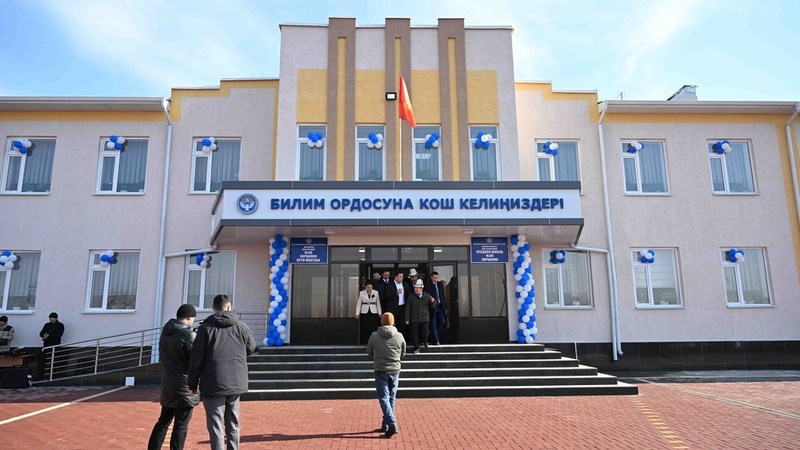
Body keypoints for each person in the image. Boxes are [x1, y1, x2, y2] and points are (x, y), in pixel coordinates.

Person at [188, 294, 255, 450]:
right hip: (236, 381)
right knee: (233, 423)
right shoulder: (241, 327)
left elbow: (196, 359)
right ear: (229, 306)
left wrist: (192, 383)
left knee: (216, 425)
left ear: (213, 308)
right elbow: (251, 348)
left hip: (213, 381)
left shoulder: (205, 329)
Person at [148, 304, 200, 450]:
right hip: (185, 386)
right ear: (188, 318)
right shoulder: (188, 335)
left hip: (168, 383)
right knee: (181, 424)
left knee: (163, 421)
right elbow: (196, 359)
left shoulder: (166, 332)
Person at [366, 312, 406, 439]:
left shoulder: (374, 335)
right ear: (393, 322)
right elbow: (403, 353)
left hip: (380, 369)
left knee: (383, 398)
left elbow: (368, 351)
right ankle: (386, 424)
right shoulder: (399, 336)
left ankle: (391, 423)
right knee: (391, 398)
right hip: (395, 370)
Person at [405, 279, 434, 354]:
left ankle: (425, 341)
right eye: (415, 288)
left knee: (425, 331)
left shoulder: (427, 295)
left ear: (421, 288)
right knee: (414, 333)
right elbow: (408, 308)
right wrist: (407, 318)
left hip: (425, 317)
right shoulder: (411, 296)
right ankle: (416, 347)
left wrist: (433, 301)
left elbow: (432, 306)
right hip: (414, 318)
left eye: (417, 288)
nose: (415, 289)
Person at [37, 312, 65, 378]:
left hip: (55, 345)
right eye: (50, 318)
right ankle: (42, 375)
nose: (50, 319)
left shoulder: (60, 325)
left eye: (52, 318)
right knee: (44, 361)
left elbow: (59, 335)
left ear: (55, 318)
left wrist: (49, 335)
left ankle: (53, 375)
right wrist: (44, 335)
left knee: (54, 361)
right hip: (46, 345)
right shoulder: (47, 325)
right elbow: (41, 333)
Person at [354, 280, 382, 345]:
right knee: (365, 327)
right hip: (364, 311)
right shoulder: (361, 293)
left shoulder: (376, 292)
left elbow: (378, 303)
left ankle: (373, 341)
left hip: (373, 311)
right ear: (365, 287)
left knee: (373, 327)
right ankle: (365, 341)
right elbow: (359, 303)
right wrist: (357, 313)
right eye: (368, 287)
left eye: (370, 287)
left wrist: (380, 312)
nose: (369, 289)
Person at [424, 272, 447, 345]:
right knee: (433, 323)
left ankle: (432, 336)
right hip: (432, 306)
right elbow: (426, 295)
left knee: (443, 321)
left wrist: (445, 307)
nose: (435, 279)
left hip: (440, 306)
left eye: (437, 277)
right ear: (431, 277)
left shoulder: (440, 285)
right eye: (434, 277)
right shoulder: (427, 285)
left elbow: (443, 296)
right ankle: (436, 340)